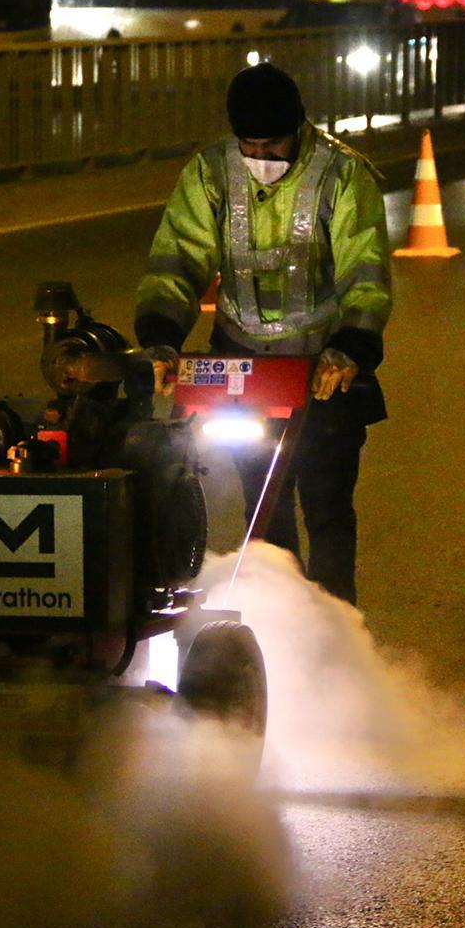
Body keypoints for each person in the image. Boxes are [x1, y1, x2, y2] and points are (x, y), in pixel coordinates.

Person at [134, 62, 392, 605]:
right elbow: (177, 260)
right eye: (250, 146)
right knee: (263, 507)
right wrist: (161, 337)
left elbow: (364, 274)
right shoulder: (209, 173)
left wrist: (351, 348)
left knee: (326, 506)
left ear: (298, 129)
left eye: (273, 146)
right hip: (243, 369)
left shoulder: (343, 175)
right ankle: (279, 620)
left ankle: (338, 631)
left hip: (323, 368)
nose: (262, 160)